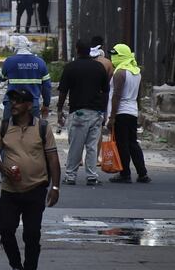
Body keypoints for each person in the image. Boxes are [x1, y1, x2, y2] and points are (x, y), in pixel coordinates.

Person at [0, 88, 61, 270]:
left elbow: (53, 159)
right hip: (10, 190)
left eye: (18, 102)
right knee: (6, 231)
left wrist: (55, 186)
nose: (13, 105)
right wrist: (4, 169)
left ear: (29, 105)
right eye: (12, 101)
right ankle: (16, 268)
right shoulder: (3, 127)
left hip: (36, 188)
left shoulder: (42, 128)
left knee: (31, 234)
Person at [57, 40, 109, 186]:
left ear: (77, 50)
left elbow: (63, 91)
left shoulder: (71, 67)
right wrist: (104, 111)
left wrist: (59, 110)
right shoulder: (99, 67)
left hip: (78, 112)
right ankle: (92, 176)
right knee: (92, 146)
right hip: (96, 112)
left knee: (76, 145)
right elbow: (105, 92)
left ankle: (71, 176)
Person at [107, 44, 151, 184]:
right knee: (133, 143)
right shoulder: (136, 72)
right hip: (132, 111)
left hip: (121, 112)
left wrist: (112, 117)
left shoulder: (120, 73)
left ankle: (124, 173)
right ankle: (142, 173)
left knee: (122, 144)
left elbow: (116, 96)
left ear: (122, 56)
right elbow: (138, 95)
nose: (112, 57)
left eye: (115, 54)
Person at [0, 36, 51, 121]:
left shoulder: (9, 61)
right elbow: (47, 86)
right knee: (32, 132)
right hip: (32, 104)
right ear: (28, 46)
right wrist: (46, 104)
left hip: (12, 104)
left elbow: (1, 78)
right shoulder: (40, 62)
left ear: (15, 47)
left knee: (8, 131)